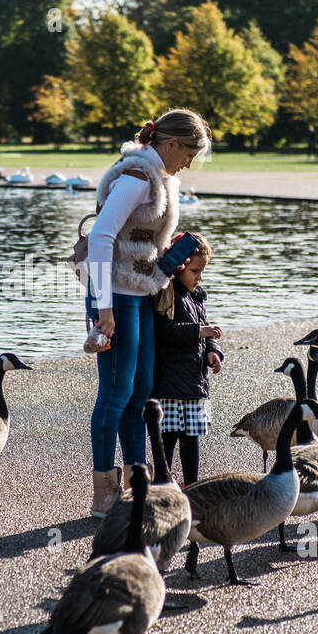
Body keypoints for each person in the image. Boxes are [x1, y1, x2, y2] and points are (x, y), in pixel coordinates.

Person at [85, 108, 212, 517]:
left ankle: (137, 482)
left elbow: (134, 238)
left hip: (139, 293)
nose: (189, 163)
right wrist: (103, 308)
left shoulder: (159, 178)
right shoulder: (137, 177)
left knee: (141, 395)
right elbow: (102, 237)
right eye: (189, 153)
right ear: (170, 143)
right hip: (116, 297)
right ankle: (104, 491)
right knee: (116, 394)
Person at [152, 233, 222, 486]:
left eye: (202, 271)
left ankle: (191, 485)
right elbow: (163, 332)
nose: (199, 277)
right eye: (194, 271)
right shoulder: (166, 294)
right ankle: (163, 483)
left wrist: (212, 350)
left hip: (194, 380)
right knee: (169, 435)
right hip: (169, 380)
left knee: (191, 437)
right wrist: (199, 332)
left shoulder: (196, 297)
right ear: (179, 267)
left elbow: (205, 330)